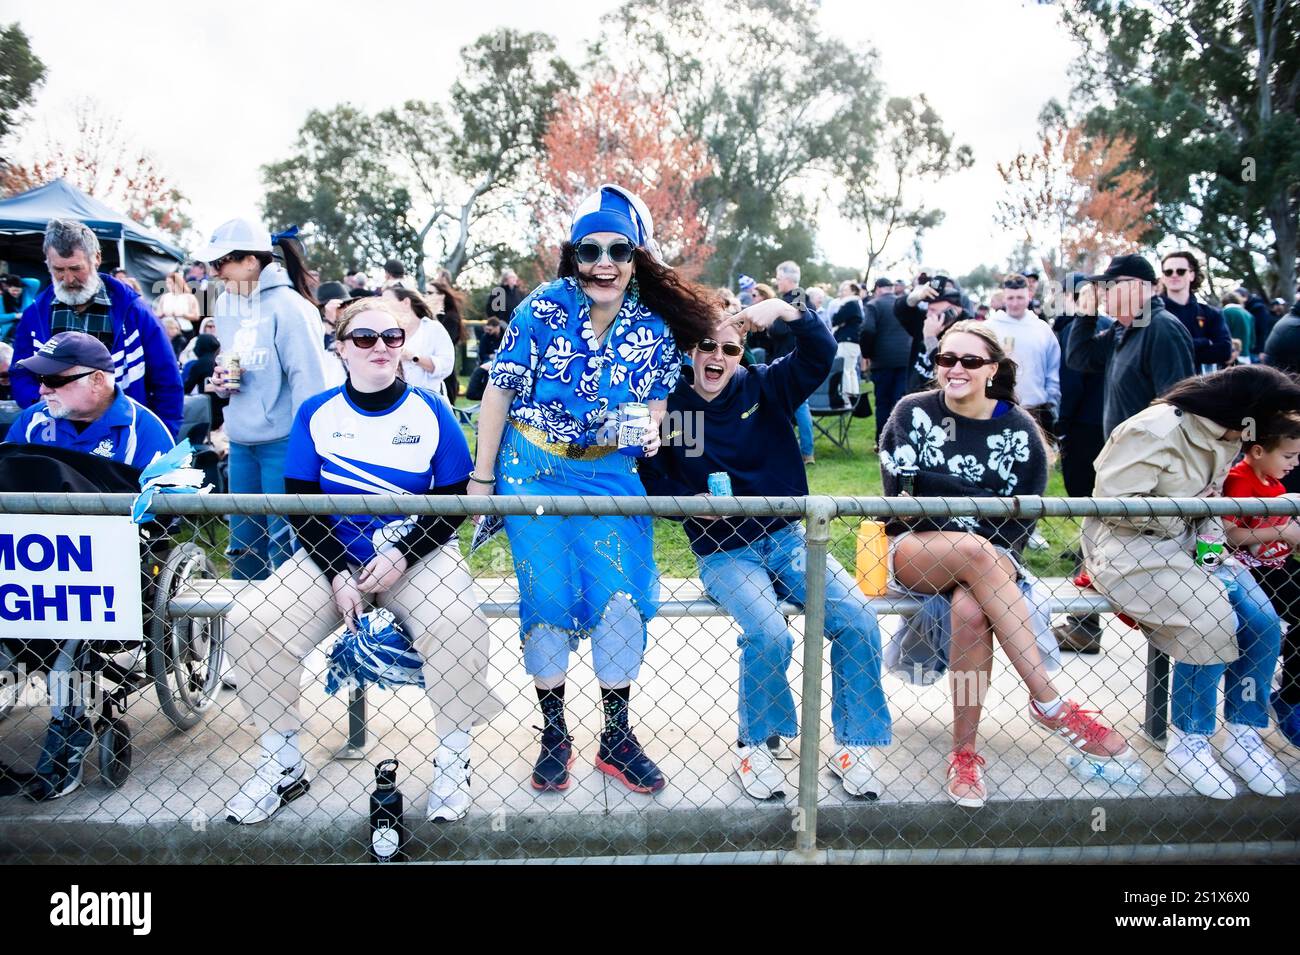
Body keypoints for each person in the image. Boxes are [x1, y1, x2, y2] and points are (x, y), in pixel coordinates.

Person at [222, 298, 503, 824]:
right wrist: (337, 573)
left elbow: (452, 504)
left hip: (416, 554)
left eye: (392, 337)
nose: (381, 347)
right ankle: (281, 761)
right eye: (366, 338)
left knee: (458, 623)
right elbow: (303, 507)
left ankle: (453, 757)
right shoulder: (317, 412)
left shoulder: (430, 408)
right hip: (335, 559)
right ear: (341, 348)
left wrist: (401, 554)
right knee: (253, 623)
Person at [471, 184, 713, 794]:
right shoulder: (540, 309)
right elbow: (498, 388)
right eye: (590, 250)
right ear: (573, 257)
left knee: (621, 601)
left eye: (618, 250)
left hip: (609, 473)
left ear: (635, 259)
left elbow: (656, 404)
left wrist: (651, 430)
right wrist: (482, 475)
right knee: (547, 599)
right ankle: (554, 732)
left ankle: (616, 735)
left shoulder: (654, 328)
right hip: (533, 470)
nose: (604, 262)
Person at [639, 297, 893, 800]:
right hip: (724, 553)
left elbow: (819, 354)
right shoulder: (668, 405)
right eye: (706, 345)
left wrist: (785, 308)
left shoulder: (766, 385)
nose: (717, 356)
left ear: (743, 352)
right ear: (690, 349)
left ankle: (853, 746)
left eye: (729, 348)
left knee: (858, 619)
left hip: (788, 540)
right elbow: (653, 483)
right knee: (768, 631)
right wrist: (691, 504)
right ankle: (757, 744)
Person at [879, 320, 1133, 807]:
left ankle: (965, 754)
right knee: (977, 552)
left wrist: (948, 493)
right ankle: (1049, 700)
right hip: (915, 550)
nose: (955, 369)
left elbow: (1023, 518)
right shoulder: (911, 413)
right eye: (945, 359)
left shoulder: (1018, 429)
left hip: (997, 559)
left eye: (970, 361)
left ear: (992, 369)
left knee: (972, 613)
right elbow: (903, 504)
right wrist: (976, 504)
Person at [1082, 366, 1300, 798]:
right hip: (1128, 550)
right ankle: (1189, 739)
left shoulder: (1226, 435)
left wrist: (1214, 557)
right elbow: (1115, 505)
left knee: (1262, 622)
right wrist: (1190, 512)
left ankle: (1243, 732)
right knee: (1211, 618)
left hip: (1195, 547)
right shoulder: (1155, 428)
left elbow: (1212, 507)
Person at [4, 331, 173, 800]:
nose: (42, 390)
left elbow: (165, 517)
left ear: (98, 380)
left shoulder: (144, 430)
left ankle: (70, 734)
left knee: (74, 617)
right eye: (39, 380)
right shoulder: (32, 425)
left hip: (106, 568)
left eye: (55, 380)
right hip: (31, 564)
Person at [197, 218, 340, 580]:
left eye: (220, 263)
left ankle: (294, 626)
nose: (214, 273)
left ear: (251, 261)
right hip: (242, 441)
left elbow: (310, 384)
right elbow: (237, 361)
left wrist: (308, 450)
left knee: (285, 543)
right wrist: (222, 382)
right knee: (243, 542)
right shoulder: (225, 304)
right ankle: (245, 626)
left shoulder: (292, 308)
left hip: (285, 441)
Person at [10, 219, 183, 435]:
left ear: (97, 259)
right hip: (56, 433)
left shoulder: (135, 312)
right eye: (58, 270)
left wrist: (163, 435)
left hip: (121, 432)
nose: (68, 279)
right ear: (47, 264)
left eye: (76, 268)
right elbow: (20, 373)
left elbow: (166, 379)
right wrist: (44, 403)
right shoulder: (35, 315)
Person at [1221, 417, 1300, 749]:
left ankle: (1287, 682)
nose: (1295, 463)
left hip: (1274, 565)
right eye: (1288, 456)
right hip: (1245, 570)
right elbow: (1229, 534)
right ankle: (1289, 697)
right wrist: (1281, 532)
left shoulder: (1275, 484)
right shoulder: (1239, 482)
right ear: (1256, 450)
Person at [1065, 253, 1195, 436]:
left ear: (1135, 286)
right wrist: (1086, 314)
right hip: (1124, 459)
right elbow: (1078, 358)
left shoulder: (1163, 328)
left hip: (1147, 460)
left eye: (1109, 284)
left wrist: (1141, 453)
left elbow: (1177, 410)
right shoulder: (1121, 329)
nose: (1102, 291)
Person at [1051, 273, 1113, 653]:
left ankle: (1085, 623)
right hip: (1107, 428)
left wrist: (1062, 429)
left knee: (1094, 524)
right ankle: (1085, 619)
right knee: (1097, 525)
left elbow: (1072, 384)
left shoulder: (1080, 331)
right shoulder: (1107, 328)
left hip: (1087, 430)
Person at [982, 274, 1060, 435]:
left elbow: (1053, 368)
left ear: (1029, 295)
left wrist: (1051, 401)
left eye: (1020, 297)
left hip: (1035, 409)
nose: (1015, 303)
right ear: (1004, 297)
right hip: (997, 407)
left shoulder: (1042, 329)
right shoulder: (989, 328)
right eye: (1010, 298)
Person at [1158, 250, 1232, 374]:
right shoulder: (1149, 312)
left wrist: (1174, 349)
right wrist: (1203, 342)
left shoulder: (1210, 314)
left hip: (1197, 387)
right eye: (1168, 272)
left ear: (1192, 275)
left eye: (1181, 271)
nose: (1174, 275)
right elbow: (1151, 351)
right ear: (1163, 277)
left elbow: (1224, 351)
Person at [859, 276, 912, 446]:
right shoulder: (905, 304)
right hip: (906, 358)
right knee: (900, 402)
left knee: (882, 403)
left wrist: (867, 353)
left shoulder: (874, 304)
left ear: (878, 289)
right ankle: (900, 442)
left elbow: (867, 329)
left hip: (882, 360)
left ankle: (882, 442)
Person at [773, 261, 816, 464]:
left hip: (792, 359)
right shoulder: (801, 297)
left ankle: (805, 452)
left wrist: (772, 323)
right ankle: (802, 451)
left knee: (798, 406)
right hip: (797, 357)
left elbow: (783, 329)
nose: (777, 282)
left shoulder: (796, 298)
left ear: (788, 279)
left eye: (779, 278)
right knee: (797, 406)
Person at [383, 286, 456, 400]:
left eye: (386, 301)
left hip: (428, 400)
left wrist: (413, 357)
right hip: (394, 402)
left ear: (406, 302)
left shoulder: (433, 329)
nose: (382, 306)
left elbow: (446, 366)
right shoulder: (386, 332)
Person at [431, 277, 467, 403]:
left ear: (441, 296)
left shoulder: (451, 317)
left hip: (445, 375)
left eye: (430, 293)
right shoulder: (429, 316)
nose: (426, 296)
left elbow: (444, 343)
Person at [153, 270, 200, 337]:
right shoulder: (165, 297)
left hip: (184, 329)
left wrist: (183, 314)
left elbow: (196, 316)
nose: (168, 285)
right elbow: (158, 313)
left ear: (177, 283)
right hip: (167, 329)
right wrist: (162, 314)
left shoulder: (190, 297)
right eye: (167, 283)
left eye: (170, 283)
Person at [1, 273, 39, 343]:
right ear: (8, 288)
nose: (15, 293)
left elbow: (35, 282)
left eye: (17, 290)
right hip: (10, 335)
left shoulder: (27, 293)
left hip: (30, 330)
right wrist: (15, 316)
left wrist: (15, 280)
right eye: (13, 290)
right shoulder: (2, 299)